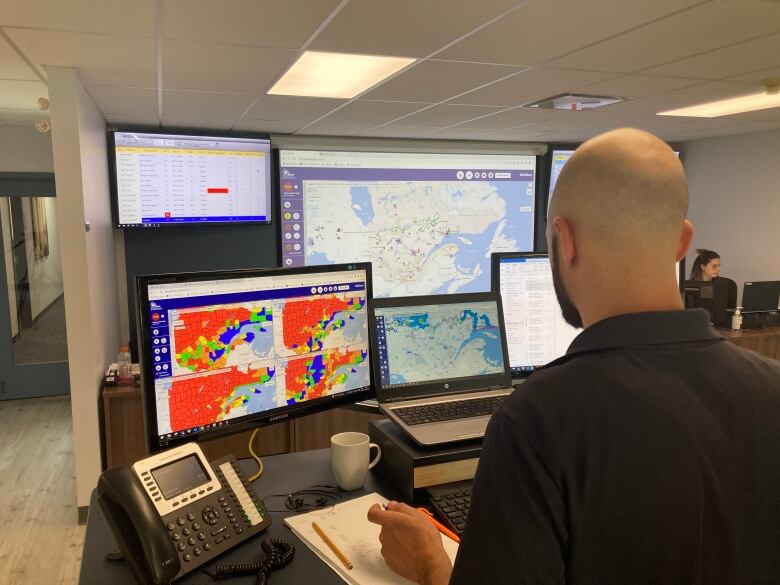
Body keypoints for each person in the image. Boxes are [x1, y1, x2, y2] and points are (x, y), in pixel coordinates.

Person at [367, 128, 780, 585]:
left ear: (565, 241)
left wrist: (430, 564)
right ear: (683, 242)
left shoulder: (538, 420)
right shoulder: (773, 385)